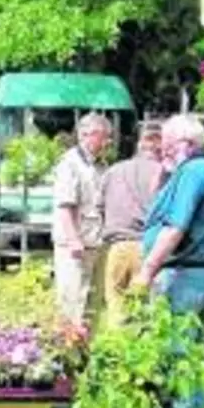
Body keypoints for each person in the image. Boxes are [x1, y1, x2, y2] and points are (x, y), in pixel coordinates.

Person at [133, 113, 204, 408]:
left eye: (168, 145)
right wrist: (165, 167)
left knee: (176, 357)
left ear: (187, 144)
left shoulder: (193, 173)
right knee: (185, 356)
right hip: (194, 275)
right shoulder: (197, 170)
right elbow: (156, 200)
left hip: (183, 275)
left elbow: (175, 227)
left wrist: (147, 270)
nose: (163, 151)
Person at [99, 122, 166, 327]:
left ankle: (115, 355)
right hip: (149, 249)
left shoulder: (114, 171)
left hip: (117, 247)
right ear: (160, 145)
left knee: (117, 312)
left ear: (139, 143)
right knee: (145, 314)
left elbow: (100, 207)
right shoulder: (165, 174)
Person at [52, 113, 112, 324]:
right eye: (105, 136)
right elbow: (65, 205)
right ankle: (68, 354)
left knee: (93, 303)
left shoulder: (101, 165)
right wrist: (73, 239)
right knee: (72, 301)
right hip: (75, 246)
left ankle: (88, 352)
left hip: (96, 242)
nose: (108, 142)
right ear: (88, 134)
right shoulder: (70, 163)